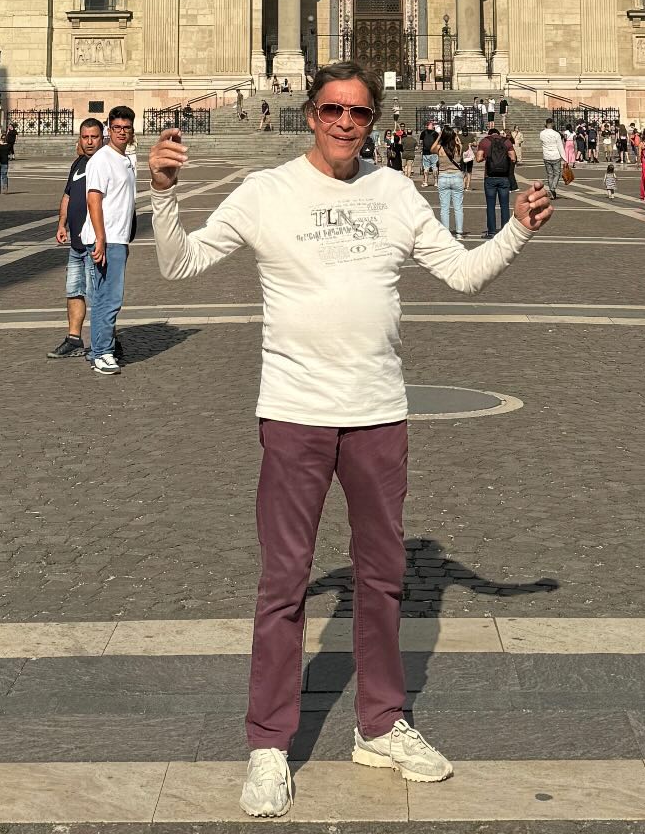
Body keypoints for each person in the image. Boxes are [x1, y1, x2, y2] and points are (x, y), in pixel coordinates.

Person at [146, 61, 553, 819]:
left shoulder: (394, 191)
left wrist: (517, 229)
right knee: (284, 583)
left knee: (385, 577)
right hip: (295, 411)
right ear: (309, 114)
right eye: (331, 109)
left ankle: (381, 724)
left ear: (372, 121)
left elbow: (462, 276)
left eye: (358, 113)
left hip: (376, 412)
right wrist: (163, 195)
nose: (343, 122)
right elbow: (179, 264)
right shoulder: (266, 192)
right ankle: (269, 744)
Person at [80, 104, 137, 375]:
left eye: (126, 128)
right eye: (117, 128)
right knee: (109, 298)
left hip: (118, 237)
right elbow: (94, 198)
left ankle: (99, 350)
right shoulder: (102, 159)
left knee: (105, 297)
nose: (121, 132)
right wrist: (101, 238)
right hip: (107, 238)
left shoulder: (124, 159)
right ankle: (103, 352)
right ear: (109, 130)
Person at [49, 117, 106, 358]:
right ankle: (74, 339)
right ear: (80, 140)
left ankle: (107, 339)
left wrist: (103, 237)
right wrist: (62, 223)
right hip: (76, 243)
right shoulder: (78, 163)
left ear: (102, 138)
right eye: (85, 137)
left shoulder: (106, 163)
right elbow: (68, 195)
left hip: (95, 242)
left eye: (94, 136)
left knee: (99, 293)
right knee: (74, 290)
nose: (90, 141)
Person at [477, 121, 516, 236]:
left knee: (490, 205)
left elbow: (478, 158)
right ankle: (505, 232)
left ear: (489, 134)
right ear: (498, 134)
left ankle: (492, 231)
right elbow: (513, 158)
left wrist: (487, 157)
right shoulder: (506, 141)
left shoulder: (485, 141)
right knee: (505, 205)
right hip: (504, 177)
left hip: (490, 176)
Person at [433, 125, 465, 238]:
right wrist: (456, 136)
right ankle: (459, 232)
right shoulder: (458, 147)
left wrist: (439, 136)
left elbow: (431, 148)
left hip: (443, 176)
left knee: (444, 208)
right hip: (456, 175)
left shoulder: (440, 148)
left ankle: (446, 233)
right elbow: (460, 144)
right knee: (458, 207)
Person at [539, 121, 565, 200]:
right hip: (556, 155)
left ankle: (551, 190)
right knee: (557, 174)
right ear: (553, 125)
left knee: (550, 174)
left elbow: (542, 142)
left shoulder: (542, 133)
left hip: (546, 155)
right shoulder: (556, 134)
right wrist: (565, 158)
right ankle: (552, 189)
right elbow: (560, 146)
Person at [419, 124, 438, 190]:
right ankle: (436, 182)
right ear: (433, 127)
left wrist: (422, 150)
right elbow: (438, 143)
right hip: (434, 152)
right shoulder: (435, 133)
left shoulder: (423, 132)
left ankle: (426, 182)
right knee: (434, 167)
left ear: (427, 126)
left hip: (425, 152)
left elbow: (421, 142)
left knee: (426, 168)